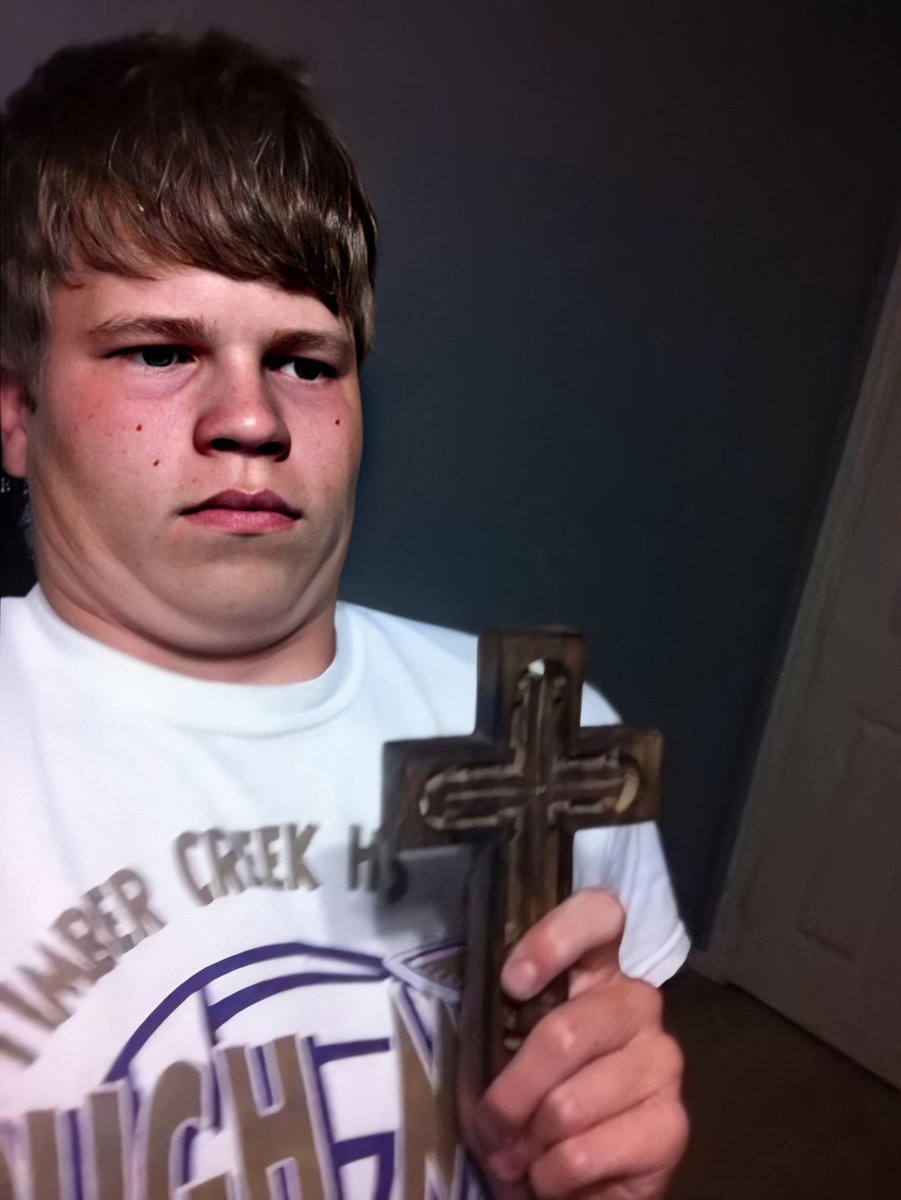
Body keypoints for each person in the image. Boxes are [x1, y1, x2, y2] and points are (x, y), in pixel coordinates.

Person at [0, 30, 690, 1200]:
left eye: (307, 363)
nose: (251, 417)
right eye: (160, 350)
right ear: (18, 415)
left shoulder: (546, 741)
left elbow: (597, 1101)